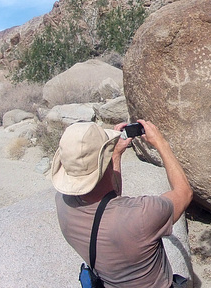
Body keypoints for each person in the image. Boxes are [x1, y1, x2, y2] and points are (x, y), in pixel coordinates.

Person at [51, 119, 193, 288]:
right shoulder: (142, 215)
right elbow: (184, 192)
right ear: (105, 162)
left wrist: (115, 155)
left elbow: (107, 204)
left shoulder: (63, 203)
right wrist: (161, 143)